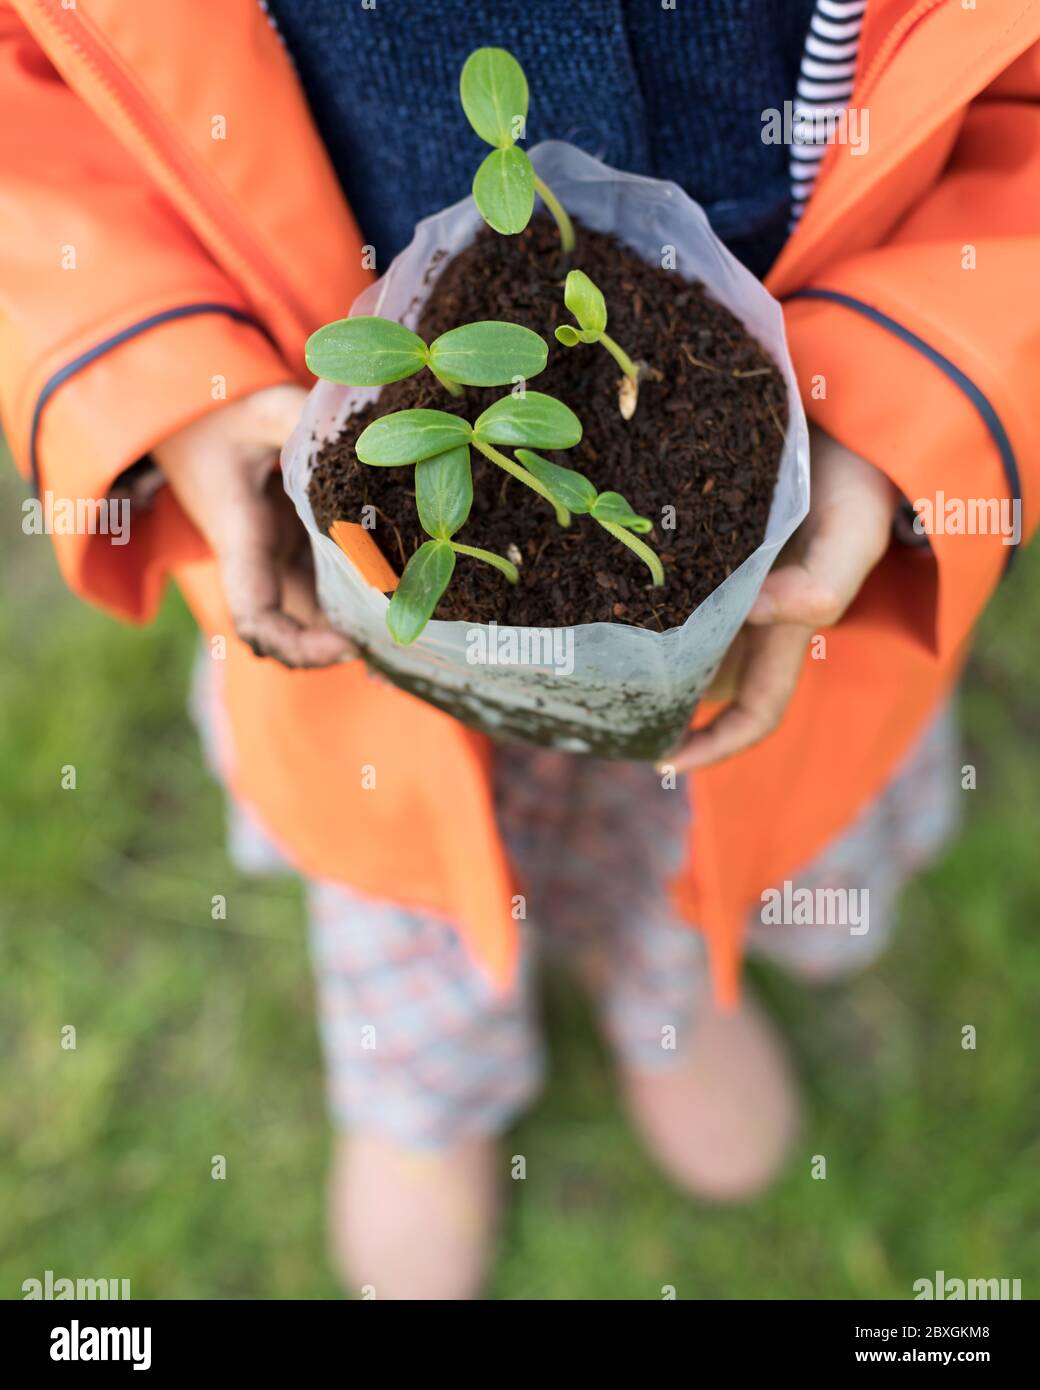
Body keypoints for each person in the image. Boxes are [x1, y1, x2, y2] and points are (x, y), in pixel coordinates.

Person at [3, 0, 1036, 1299]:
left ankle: (672, 986)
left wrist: (916, 401)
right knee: (402, 849)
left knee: (702, 793)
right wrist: (151, 364)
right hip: (341, 544)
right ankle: (424, 1081)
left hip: (811, 456)